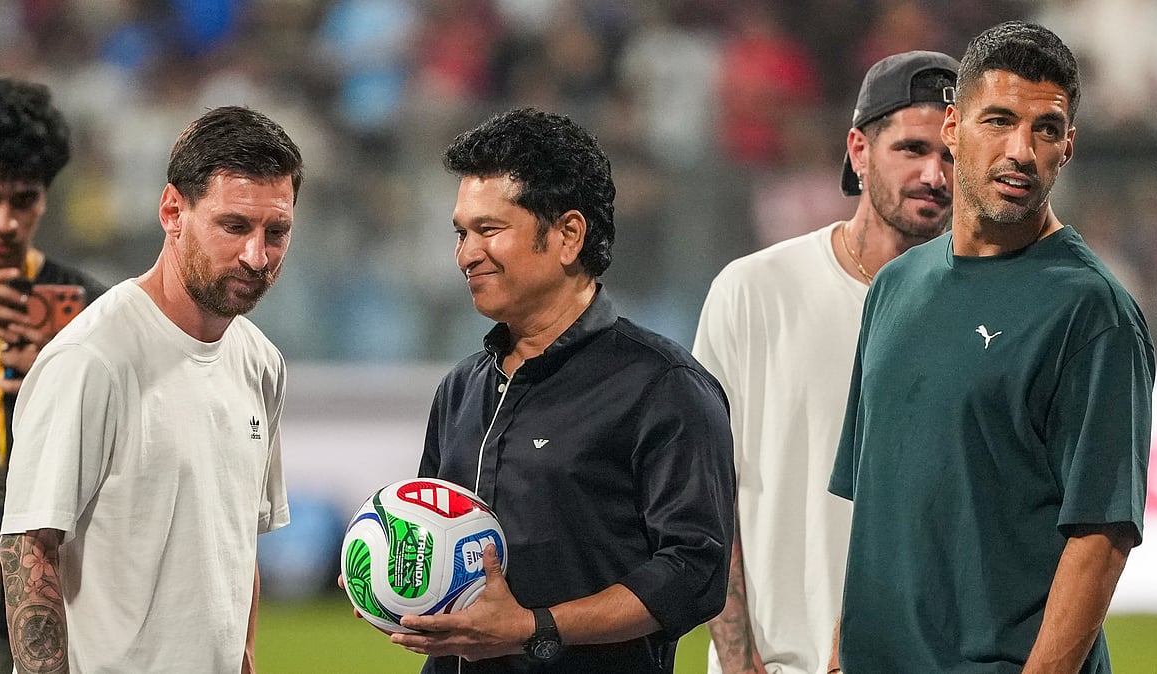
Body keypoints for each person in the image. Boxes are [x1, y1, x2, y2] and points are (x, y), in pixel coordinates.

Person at [828, 21, 1154, 674]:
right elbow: (881, 506)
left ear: (1069, 147)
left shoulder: (1092, 312)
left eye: (1047, 129)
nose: (1022, 152)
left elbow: (1100, 535)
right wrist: (842, 651)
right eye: (999, 121)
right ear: (953, 129)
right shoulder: (894, 287)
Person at [389, 107, 736, 672]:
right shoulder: (460, 388)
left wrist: (533, 629)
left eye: (489, 230)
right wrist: (387, 576)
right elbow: (432, 536)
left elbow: (694, 573)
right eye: (461, 232)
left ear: (569, 235)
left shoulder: (664, 386)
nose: (466, 254)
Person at [0, 105, 302, 673]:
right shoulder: (91, 359)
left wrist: (244, 659)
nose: (256, 256)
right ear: (172, 211)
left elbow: (236, 549)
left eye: (276, 232)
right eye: (234, 226)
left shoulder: (261, 361)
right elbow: (28, 548)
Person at [692, 50, 957, 674]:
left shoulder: (983, 314)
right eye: (912, 149)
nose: (934, 175)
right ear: (859, 151)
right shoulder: (753, 292)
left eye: (952, 155)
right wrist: (740, 662)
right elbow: (703, 493)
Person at [0, 75, 109, 673]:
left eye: (24, 199)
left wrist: (64, 382)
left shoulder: (90, 310)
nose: (5, 221)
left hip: (45, 591)